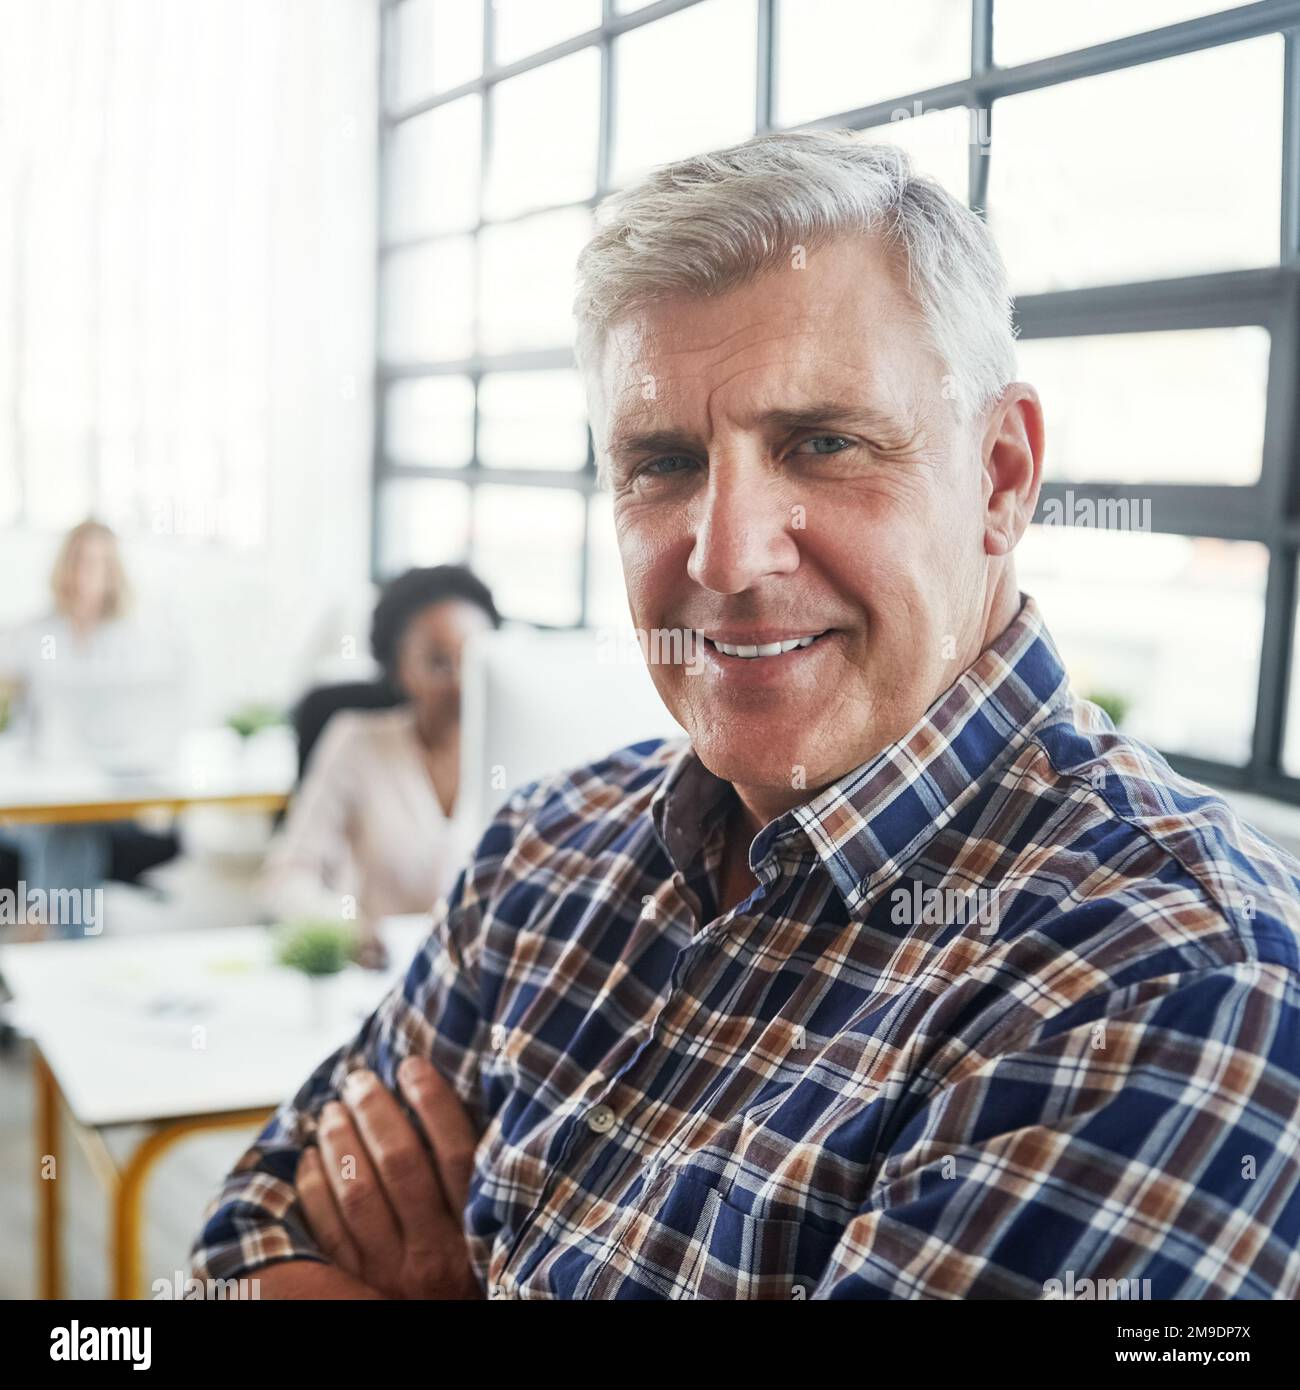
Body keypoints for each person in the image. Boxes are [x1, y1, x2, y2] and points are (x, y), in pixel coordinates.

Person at [192, 132, 1300, 1300]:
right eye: (661, 462)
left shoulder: (1173, 975)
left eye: (822, 444)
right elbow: (231, 1257)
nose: (724, 554)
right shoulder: (548, 842)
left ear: (1002, 475)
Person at [259, 566, 499, 964]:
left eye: (473, 660)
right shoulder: (358, 742)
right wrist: (348, 929)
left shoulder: (519, 754)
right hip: (382, 974)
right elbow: (286, 878)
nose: (460, 681)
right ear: (398, 669)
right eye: (439, 662)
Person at [0, 519, 183, 937]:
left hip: (113, 790)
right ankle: (71, 943)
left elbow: (157, 714)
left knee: (72, 825)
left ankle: (41, 929)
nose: (87, 573)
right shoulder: (29, 635)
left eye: (100, 563)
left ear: (115, 572)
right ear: (63, 567)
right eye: (80, 561)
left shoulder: (138, 640)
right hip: (39, 793)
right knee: (67, 826)